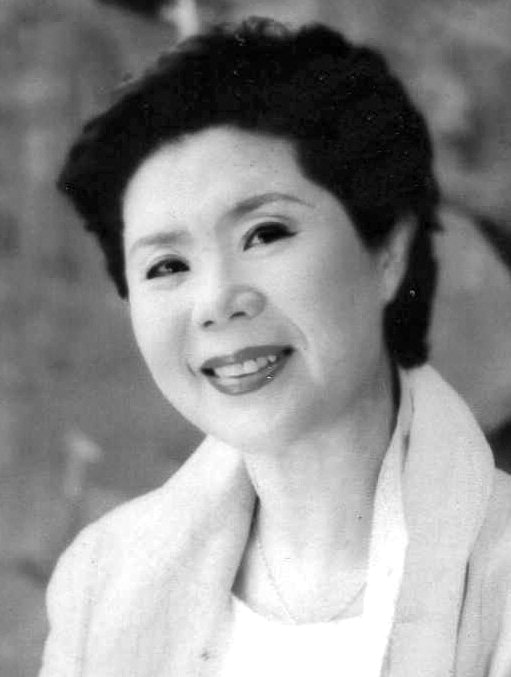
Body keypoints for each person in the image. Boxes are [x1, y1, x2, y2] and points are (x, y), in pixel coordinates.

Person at [39, 18, 511, 677]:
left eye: (264, 233)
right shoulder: (102, 581)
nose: (216, 300)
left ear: (387, 252)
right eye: (166, 266)